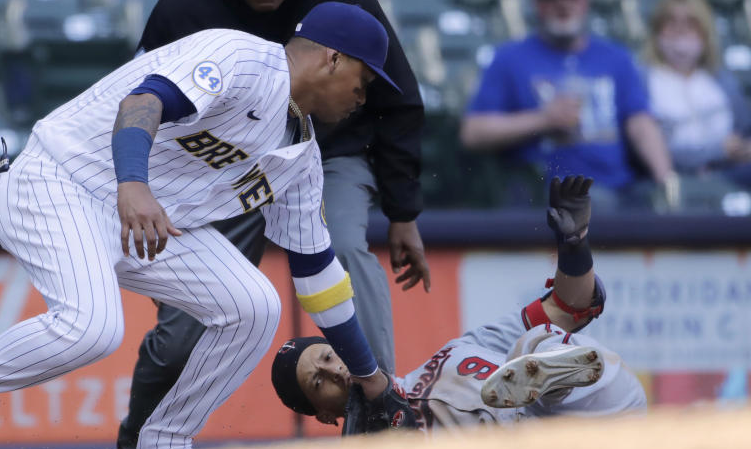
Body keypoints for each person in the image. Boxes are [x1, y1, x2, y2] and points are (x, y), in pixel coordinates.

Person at [0, 2, 401, 449]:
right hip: (63, 179)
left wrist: (369, 375)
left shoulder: (303, 159)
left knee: (255, 306)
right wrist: (134, 182)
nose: (365, 95)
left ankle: (165, 445)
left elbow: (317, 274)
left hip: (142, 221)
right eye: (365, 77)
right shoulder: (243, 58)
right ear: (333, 58)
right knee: (92, 329)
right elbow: (144, 100)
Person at [116, 0, 429, 449]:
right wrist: (140, 183)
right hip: (217, 170)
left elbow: (399, 103)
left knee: (343, 254)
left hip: (323, 154)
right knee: (185, 324)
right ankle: (137, 445)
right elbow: (137, 102)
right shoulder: (181, 9)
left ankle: (379, 414)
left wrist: (404, 212)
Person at [271, 175, 647, 431]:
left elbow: (570, 307)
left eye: (326, 358)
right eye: (318, 381)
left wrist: (575, 243)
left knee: (538, 339)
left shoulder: (460, 350)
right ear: (322, 415)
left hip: (599, 408)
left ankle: (553, 376)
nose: (336, 372)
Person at [460, 0, 677, 210]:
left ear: (585, 1)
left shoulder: (616, 58)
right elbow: (473, 133)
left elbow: (640, 124)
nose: (562, 4)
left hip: (618, 192)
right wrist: (542, 119)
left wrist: (667, 181)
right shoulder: (509, 59)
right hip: (544, 198)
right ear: (537, 4)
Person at [643, 0, 751, 196]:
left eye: (691, 23)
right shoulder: (644, 80)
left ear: (705, 32)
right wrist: (718, 151)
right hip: (673, 181)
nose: (680, 30)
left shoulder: (721, 79)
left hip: (731, 174)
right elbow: (650, 152)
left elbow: (745, 130)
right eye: (670, 22)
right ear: (657, 31)